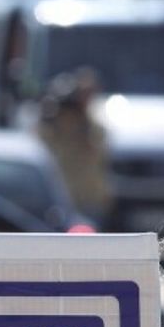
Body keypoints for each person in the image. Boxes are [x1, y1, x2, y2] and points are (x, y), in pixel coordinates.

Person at [35, 69, 111, 226]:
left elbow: (98, 148)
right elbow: (39, 145)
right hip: (60, 199)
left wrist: (83, 118)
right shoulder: (52, 129)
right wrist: (49, 115)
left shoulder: (90, 128)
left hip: (88, 199)